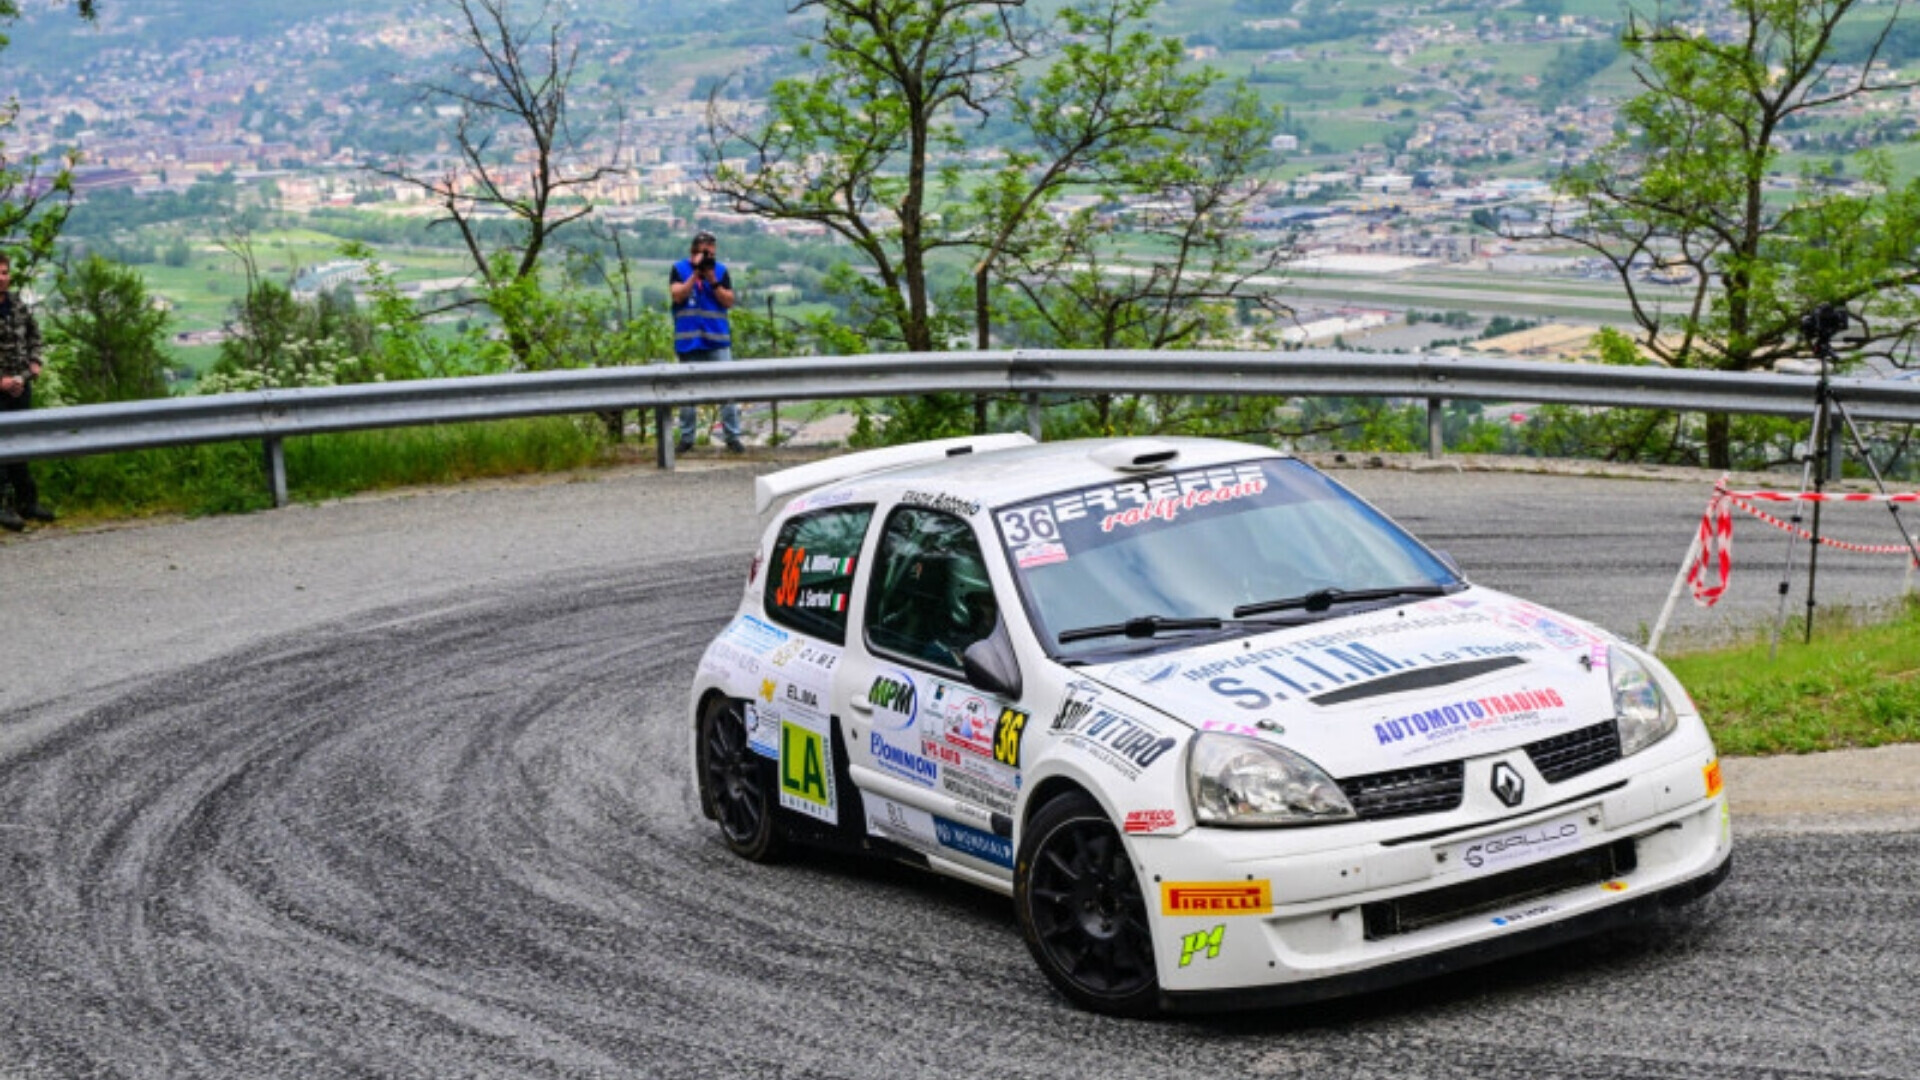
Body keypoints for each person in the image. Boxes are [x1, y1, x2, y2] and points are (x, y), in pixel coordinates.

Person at [670, 230, 743, 453]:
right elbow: (677, 295)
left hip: (716, 341)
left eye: (711, 252)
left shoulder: (720, 271)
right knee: (687, 395)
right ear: (693, 251)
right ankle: (687, 438)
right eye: (704, 252)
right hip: (689, 341)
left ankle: (733, 437)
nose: (708, 257)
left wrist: (712, 280)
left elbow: (729, 301)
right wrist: (695, 274)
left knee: (727, 391)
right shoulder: (679, 269)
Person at [0, 252, 52, 532]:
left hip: (21, 387)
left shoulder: (18, 305)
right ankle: (2, 507)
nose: (2, 278)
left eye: (5, 272)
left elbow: (35, 335)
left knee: (21, 446)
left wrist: (35, 363)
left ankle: (27, 503)